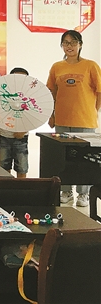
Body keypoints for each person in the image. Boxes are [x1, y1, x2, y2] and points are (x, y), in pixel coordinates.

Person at [47, 30, 101, 207]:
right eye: (66, 42)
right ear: (62, 45)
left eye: (73, 42)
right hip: (62, 121)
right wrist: (52, 115)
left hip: (85, 121)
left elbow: (99, 91)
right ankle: (66, 191)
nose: (69, 46)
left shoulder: (90, 66)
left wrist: (93, 110)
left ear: (80, 44)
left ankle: (83, 194)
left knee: (84, 160)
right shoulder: (57, 67)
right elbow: (51, 93)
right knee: (64, 158)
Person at [0, 67, 32, 178]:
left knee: (22, 167)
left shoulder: (30, 97)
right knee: (3, 166)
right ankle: (6, 187)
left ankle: (21, 188)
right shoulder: (3, 94)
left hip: (21, 136)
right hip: (4, 135)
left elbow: (33, 116)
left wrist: (24, 130)